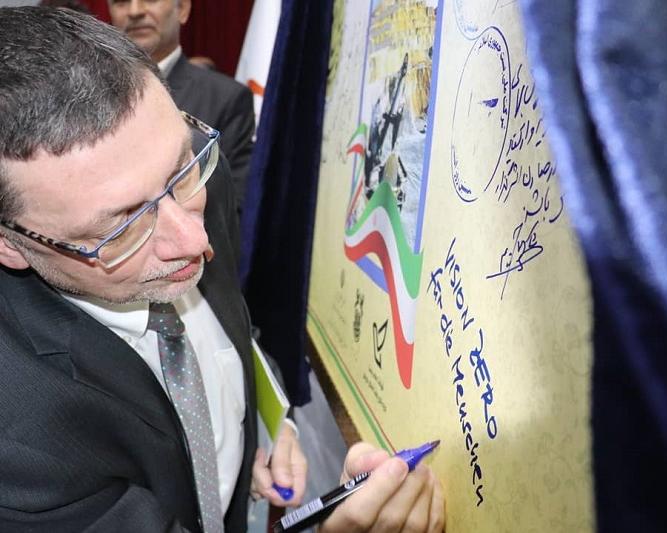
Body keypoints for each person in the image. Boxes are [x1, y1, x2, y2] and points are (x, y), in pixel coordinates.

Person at [0, 6, 444, 533]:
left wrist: (263, 424)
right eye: (122, 226)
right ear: (12, 245)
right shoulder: (18, 447)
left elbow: (230, 323)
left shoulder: (191, 183)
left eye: (181, 172)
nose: (196, 242)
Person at [108, 0, 255, 213]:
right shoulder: (87, 94)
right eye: (121, 1)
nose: (135, 11)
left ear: (183, 9)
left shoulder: (226, 99)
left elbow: (230, 208)